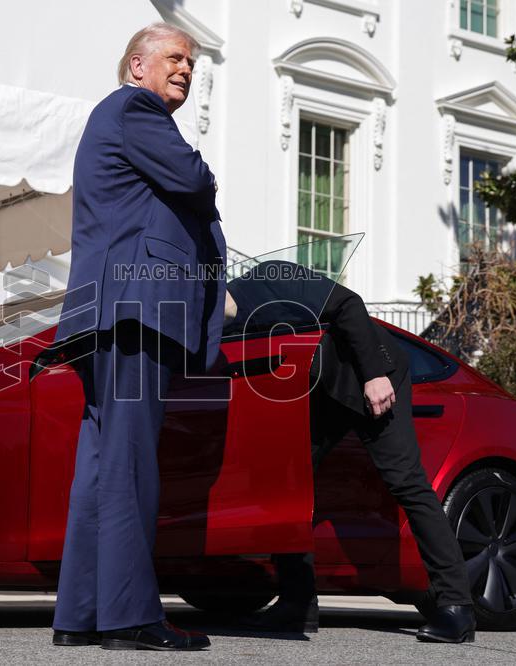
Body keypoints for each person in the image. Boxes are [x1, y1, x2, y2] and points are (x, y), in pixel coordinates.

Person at [50, 23, 225, 651]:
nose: (186, 69)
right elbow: (195, 180)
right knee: (128, 468)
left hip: (114, 313)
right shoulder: (136, 110)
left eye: (191, 62)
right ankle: (128, 618)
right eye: (174, 57)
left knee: (103, 467)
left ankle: (81, 615)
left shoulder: (121, 116)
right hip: (136, 310)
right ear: (136, 67)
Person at [224, 260, 476, 644]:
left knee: (406, 482)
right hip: (321, 392)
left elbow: (348, 304)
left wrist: (374, 374)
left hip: (369, 373)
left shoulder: (269, 277)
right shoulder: (220, 329)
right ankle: (296, 604)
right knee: (285, 485)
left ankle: (457, 607)